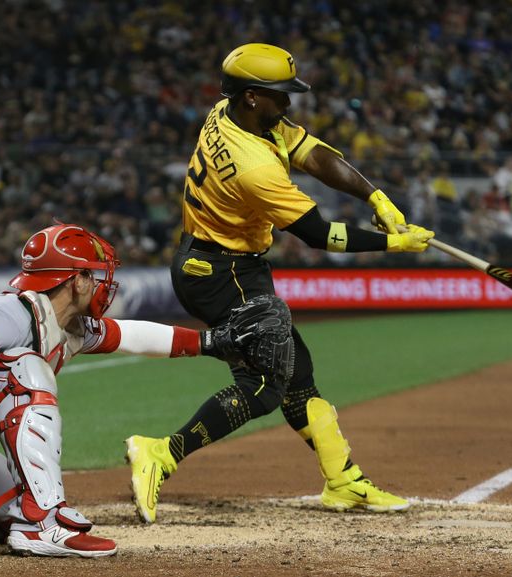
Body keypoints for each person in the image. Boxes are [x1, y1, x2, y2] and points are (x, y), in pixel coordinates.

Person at [124, 43, 435, 523]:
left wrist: (374, 194)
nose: (288, 103)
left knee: (297, 370)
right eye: (280, 95)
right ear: (252, 96)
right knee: (265, 383)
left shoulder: (231, 111)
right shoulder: (253, 166)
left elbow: (313, 153)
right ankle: (160, 452)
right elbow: (319, 234)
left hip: (226, 263)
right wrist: (393, 244)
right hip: (221, 273)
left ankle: (342, 481)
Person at [0, 222, 273, 557]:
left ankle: (27, 521)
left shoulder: (67, 326)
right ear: (75, 280)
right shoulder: (10, 314)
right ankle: (43, 525)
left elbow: (132, 335)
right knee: (23, 369)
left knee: (9, 508)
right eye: (92, 275)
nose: (99, 284)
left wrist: (211, 342)